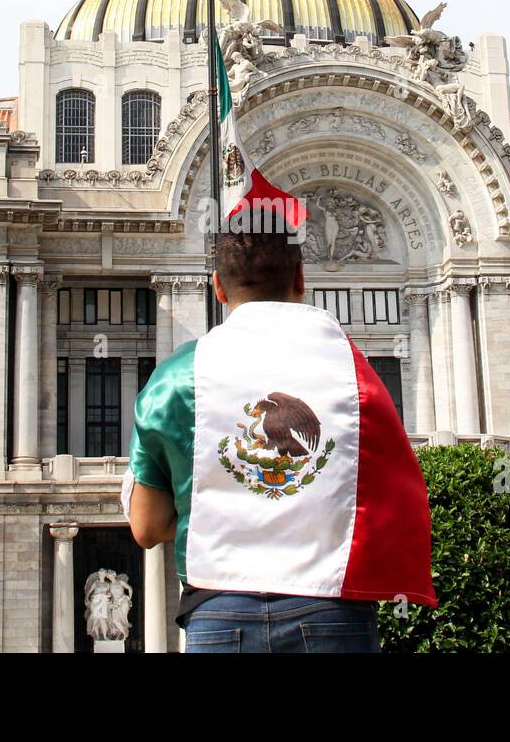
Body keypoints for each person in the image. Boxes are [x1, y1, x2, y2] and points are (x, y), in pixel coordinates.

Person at [121, 218, 437, 652]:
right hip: (329, 611)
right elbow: (391, 496)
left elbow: (147, 526)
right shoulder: (353, 371)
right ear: (301, 279)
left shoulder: (176, 378)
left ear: (217, 286)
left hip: (219, 609)